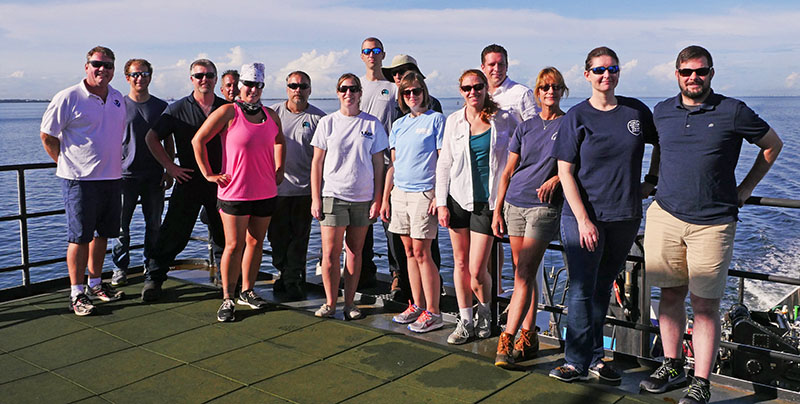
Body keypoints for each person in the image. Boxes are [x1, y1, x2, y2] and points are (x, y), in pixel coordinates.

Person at [640, 45, 783, 404]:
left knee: (705, 306)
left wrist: (746, 188)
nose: (694, 77)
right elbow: (660, 145)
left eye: (700, 71)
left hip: (713, 224)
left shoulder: (732, 111)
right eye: (687, 71)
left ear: (711, 74)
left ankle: (701, 382)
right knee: (670, 294)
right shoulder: (662, 111)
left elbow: (771, 145)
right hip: (666, 214)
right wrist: (653, 177)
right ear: (676, 74)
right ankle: (672, 365)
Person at [549, 46, 657, 383]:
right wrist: (583, 219)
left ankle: (595, 357)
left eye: (612, 69)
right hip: (583, 217)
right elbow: (565, 171)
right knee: (581, 288)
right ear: (587, 75)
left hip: (624, 216)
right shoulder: (577, 117)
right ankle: (575, 361)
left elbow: (663, 144)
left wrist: (651, 180)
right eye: (598, 70)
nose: (606, 75)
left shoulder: (636, 111)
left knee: (601, 290)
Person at [193, 63, 285, 322]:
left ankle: (248, 290)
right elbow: (198, 140)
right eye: (248, 84)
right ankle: (227, 298)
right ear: (239, 86)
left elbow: (280, 141)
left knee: (256, 243)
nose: (252, 90)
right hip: (234, 193)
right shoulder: (228, 112)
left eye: (258, 85)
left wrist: (280, 168)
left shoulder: (270, 115)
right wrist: (208, 174)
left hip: (265, 191)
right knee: (234, 245)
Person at [40, 46, 126, 316]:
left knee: (102, 235)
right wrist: (64, 163)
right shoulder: (68, 97)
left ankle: (96, 283)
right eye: (97, 64)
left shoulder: (117, 98)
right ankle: (77, 293)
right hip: (79, 181)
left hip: (111, 178)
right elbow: (47, 135)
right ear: (86, 66)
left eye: (108, 65)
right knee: (79, 238)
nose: (103, 69)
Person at [492, 67, 567, 368]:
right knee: (525, 272)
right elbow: (508, 171)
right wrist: (497, 209)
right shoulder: (526, 127)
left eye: (556, 87)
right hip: (514, 203)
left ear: (563, 91)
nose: (550, 91)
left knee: (523, 272)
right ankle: (529, 335)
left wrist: (558, 179)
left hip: (542, 207)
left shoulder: (570, 124)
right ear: (537, 93)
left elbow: (579, 164)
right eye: (545, 87)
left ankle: (506, 340)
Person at [436, 69, 518, 344]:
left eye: (478, 87)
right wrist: (441, 203)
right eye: (467, 88)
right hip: (458, 199)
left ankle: (485, 313)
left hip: (488, 203)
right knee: (459, 263)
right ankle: (465, 320)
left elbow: (517, 155)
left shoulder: (503, 119)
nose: (473, 92)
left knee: (477, 268)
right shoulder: (454, 121)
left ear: (486, 88)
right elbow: (444, 163)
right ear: (461, 91)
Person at [142, 59, 227, 301]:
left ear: (215, 78)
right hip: (188, 180)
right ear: (191, 79)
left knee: (223, 235)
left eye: (209, 75)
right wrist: (170, 167)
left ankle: (227, 282)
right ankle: (154, 279)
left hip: (219, 182)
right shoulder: (177, 109)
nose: (204, 80)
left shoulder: (226, 108)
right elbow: (151, 138)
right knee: (173, 233)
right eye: (199, 75)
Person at [310, 73, 387, 320]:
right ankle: (330, 303)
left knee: (355, 253)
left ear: (360, 93)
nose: (349, 93)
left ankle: (350, 303)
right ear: (337, 92)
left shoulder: (372, 124)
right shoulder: (327, 123)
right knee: (331, 254)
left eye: (353, 89)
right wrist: (315, 198)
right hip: (333, 195)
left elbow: (379, 165)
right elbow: (317, 163)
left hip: (363, 198)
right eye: (344, 89)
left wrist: (377, 198)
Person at [380, 71, 445, 333]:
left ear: (424, 92)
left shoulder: (436, 120)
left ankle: (434, 311)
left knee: (422, 252)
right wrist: (385, 198)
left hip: (423, 194)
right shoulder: (398, 125)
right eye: (406, 93)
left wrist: (439, 196)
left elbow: (443, 162)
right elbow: (394, 166)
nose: (412, 96)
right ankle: (416, 304)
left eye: (416, 91)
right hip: (400, 195)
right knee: (407, 252)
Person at [110, 58, 170, 287]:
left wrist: (169, 169)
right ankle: (119, 268)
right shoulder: (118, 105)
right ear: (127, 77)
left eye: (144, 74)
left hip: (154, 175)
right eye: (135, 74)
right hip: (124, 176)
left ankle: (151, 266)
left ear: (150, 77)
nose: (140, 78)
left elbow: (168, 139)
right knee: (121, 228)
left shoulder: (161, 106)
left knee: (154, 225)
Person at [268, 71, 326, 300]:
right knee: (276, 238)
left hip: (305, 191)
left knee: (299, 239)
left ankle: (292, 280)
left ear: (310, 90)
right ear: (287, 88)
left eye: (303, 86)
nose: (298, 90)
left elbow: (324, 159)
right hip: (276, 189)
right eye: (293, 85)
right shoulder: (273, 114)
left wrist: (318, 195)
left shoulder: (320, 119)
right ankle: (285, 274)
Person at [357, 36, 397, 290]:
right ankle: (364, 272)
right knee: (361, 223)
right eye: (367, 51)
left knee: (390, 222)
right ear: (361, 56)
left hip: (386, 165)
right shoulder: (355, 86)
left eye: (376, 50)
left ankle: (398, 276)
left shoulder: (392, 87)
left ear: (383, 54)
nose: (372, 54)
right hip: (360, 166)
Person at [480, 44, 539, 123]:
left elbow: (536, 129)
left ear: (507, 66)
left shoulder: (523, 94)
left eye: (501, 64)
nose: (497, 69)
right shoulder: (478, 94)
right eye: (492, 64)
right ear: (483, 68)